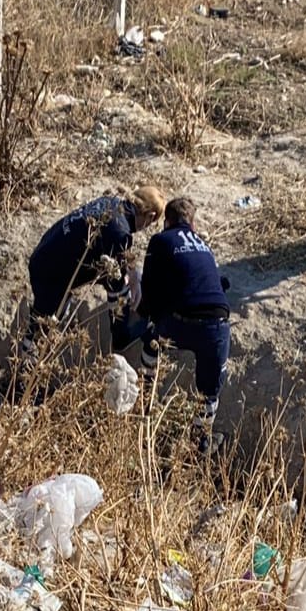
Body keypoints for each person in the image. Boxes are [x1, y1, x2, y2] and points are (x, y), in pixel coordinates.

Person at [137, 198, 231, 454]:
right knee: (209, 393)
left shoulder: (161, 241)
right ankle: (200, 442)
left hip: (180, 322)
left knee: (151, 344)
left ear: (166, 222)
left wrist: (145, 318)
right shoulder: (205, 246)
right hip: (218, 324)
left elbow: (149, 289)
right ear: (193, 223)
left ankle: (144, 406)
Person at [27, 187, 166, 343]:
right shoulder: (120, 232)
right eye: (151, 223)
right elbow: (115, 272)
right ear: (150, 216)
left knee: (51, 315)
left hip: (44, 254)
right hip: (51, 276)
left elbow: (115, 247)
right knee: (39, 330)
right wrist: (128, 282)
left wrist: (132, 271)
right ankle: (121, 336)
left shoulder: (111, 201)